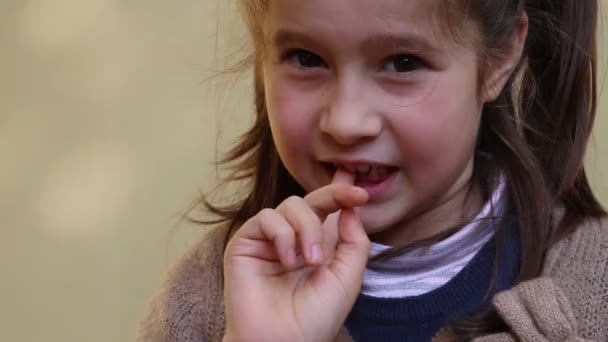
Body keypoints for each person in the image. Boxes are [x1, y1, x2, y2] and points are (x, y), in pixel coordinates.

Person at [136, 0, 608, 341]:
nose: (345, 122)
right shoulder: (201, 301)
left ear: (499, 58)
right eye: (307, 58)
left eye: (403, 63)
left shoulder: (594, 283)